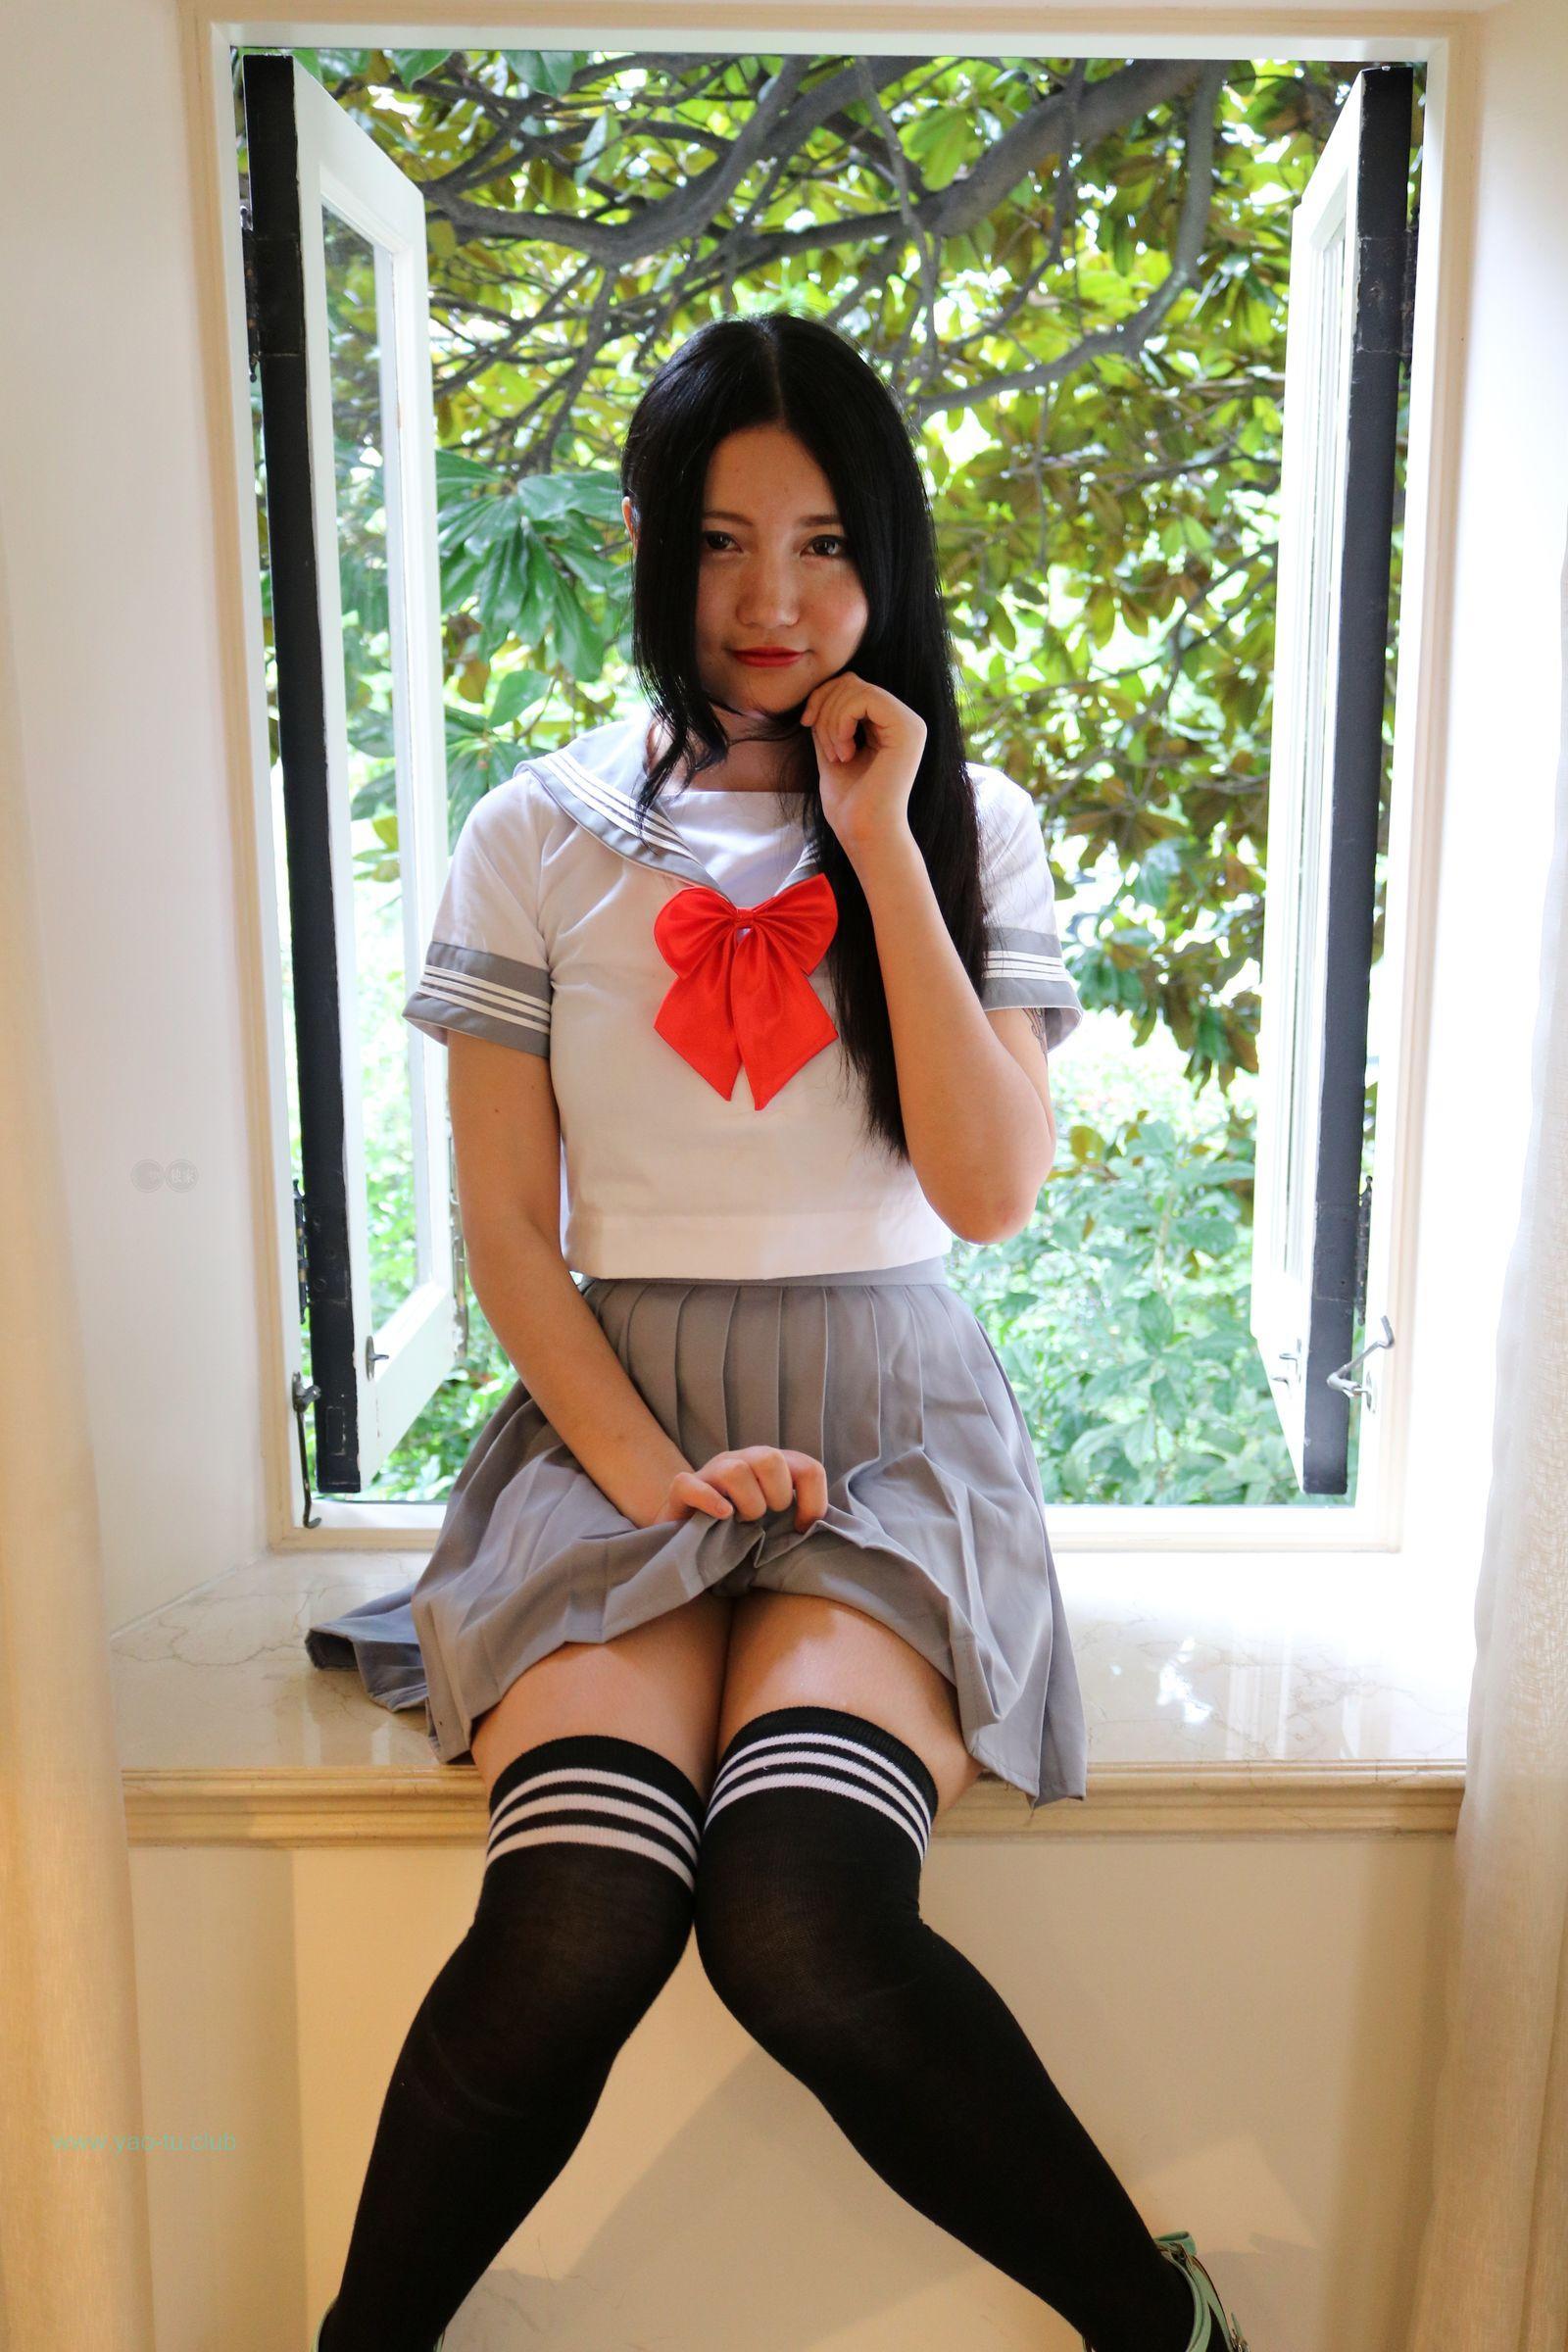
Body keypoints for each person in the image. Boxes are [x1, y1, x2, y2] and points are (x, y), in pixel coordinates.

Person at [305, 311, 1249, 2352]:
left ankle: (1159, 2329)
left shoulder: (968, 825)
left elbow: (988, 1192)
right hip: (613, 1428)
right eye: (725, 541)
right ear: (653, 543)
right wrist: (655, 1474)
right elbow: (506, 1232)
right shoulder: (535, 830)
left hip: (885, 1435)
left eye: (823, 544)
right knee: (576, 1913)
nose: (773, 600)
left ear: (884, 555)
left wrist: (883, 841)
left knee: (802, 1916)